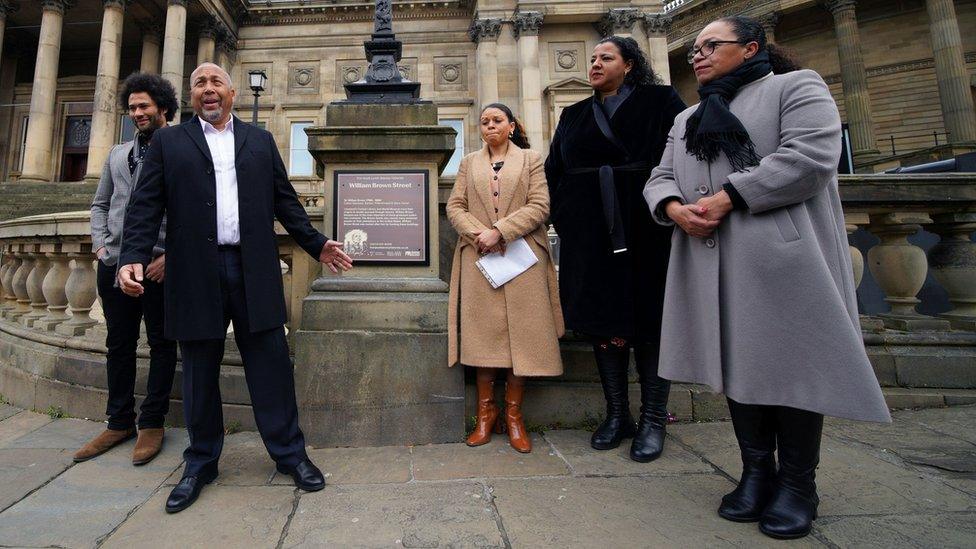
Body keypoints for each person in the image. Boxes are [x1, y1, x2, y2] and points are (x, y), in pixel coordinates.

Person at [643, 16, 891, 540]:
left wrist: (727, 196)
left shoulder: (795, 87)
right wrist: (671, 206)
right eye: (697, 49)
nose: (698, 55)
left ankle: (799, 485)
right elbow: (660, 175)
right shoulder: (688, 117)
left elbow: (811, 158)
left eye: (712, 46)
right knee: (739, 366)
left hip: (780, 261)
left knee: (794, 365)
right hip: (710, 259)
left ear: (751, 46)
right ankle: (756, 473)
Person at [116, 63, 353, 514]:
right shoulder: (169, 142)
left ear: (232, 92)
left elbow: (285, 201)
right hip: (193, 272)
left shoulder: (260, 141)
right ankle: (201, 462)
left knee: (271, 367)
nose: (208, 89)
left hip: (254, 269)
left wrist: (317, 244)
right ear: (191, 95)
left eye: (216, 82)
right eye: (199, 83)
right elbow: (144, 206)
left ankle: (290, 455)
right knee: (200, 372)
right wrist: (132, 256)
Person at [545, 36, 685, 462]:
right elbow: (555, 169)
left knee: (650, 317)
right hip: (590, 233)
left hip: (647, 225)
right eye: (592, 58)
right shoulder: (573, 113)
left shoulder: (661, 101)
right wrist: (568, 217)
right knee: (602, 321)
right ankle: (617, 414)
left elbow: (684, 156)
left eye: (606, 58)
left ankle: (654, 418)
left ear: (629, 64)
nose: (595, 64)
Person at [447, 103, 563, 454]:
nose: (490, 126)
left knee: (522, 338)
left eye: (497, 120)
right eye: (484, 122)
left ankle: (513, 416)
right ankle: (486, 415)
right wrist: (480, 234)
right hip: (479, 258)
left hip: (522, 258)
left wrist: (501, 231)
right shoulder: (468, 163)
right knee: (484, 338)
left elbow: (541, 205)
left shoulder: (532, 160)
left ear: (511, 126)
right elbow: (455, 206)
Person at [76, 73, 179, 466]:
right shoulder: (118, 154)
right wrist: (102, 246)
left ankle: (152, 421)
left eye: (144, 107)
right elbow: (100, 203)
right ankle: (118, 421)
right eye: (133, 107)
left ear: (163, 108)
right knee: (118, 343)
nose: (137, 113)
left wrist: (170, 255)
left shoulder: (182, 149)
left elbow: (195, 212)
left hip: (157, 267)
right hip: (114, 265)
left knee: (161, 344)